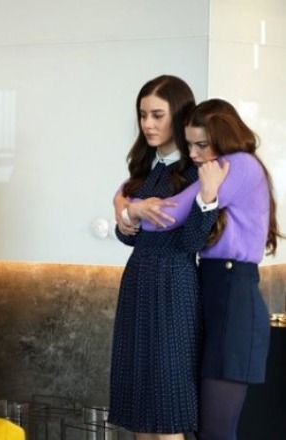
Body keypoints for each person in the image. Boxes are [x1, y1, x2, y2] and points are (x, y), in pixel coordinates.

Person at [130, 98, 282, 440]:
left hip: (233, 300)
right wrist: (125, 202)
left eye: (202, 145)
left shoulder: (237, 164)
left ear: (223, 139)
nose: (194, 154)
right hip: (214, 293)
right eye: (189, 145)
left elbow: (165, 216)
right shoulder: (223, 165)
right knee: (202, 429)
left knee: (215, 432)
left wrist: (131, 208)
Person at [108, 75, 219, 439]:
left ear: (179, 115)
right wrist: (130, 213)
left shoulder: (195, 170)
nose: (148, 124)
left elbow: (192, 242)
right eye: (143, 115)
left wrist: (206, 198)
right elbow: (128, 237)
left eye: (157, 115)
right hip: (138, 281)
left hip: (175, 285)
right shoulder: (144, 168)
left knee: (169, 404)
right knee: (140, 407)